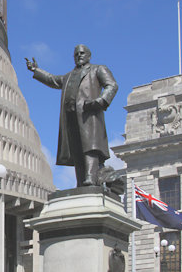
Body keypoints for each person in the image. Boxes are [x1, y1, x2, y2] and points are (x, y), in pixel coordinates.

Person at [26, 45, 118, 187]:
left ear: (88, 55)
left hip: (88, 114)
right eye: (76, 54)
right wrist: (36, 70)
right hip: (70, 117)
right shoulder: (69, 76)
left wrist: (101, 101)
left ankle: (90, 177)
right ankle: (81, 182)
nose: (79, 55)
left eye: (82, 53)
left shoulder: (98, 69)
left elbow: (112, 85)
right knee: (76, 150)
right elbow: (53, 80)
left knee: (90, 146)